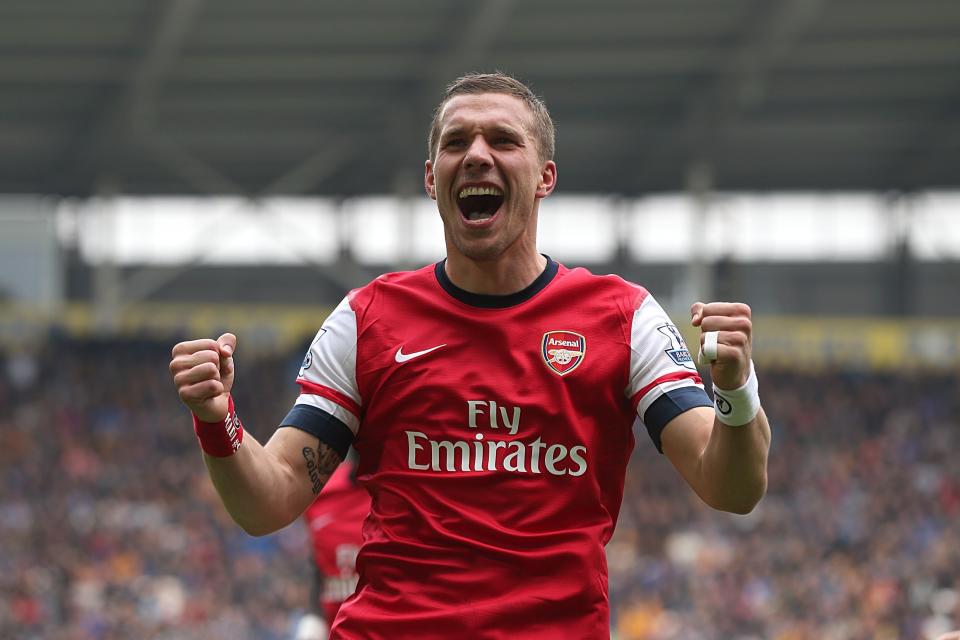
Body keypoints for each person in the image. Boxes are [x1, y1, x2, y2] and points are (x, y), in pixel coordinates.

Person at [169, 72, 771, 639]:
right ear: (433, 179)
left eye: (504, 140)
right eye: (458, 141)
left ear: (545, 176)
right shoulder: (366, 319)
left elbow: (731, 487)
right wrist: (216, 417)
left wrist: (737, 390)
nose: (477, 154)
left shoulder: (623, 317)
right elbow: (270, 498)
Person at [293, 452, 369, 640]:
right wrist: (312, 622)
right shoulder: (320, 493)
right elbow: (320, 569)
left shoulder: (405, 497)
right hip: (333, 630)